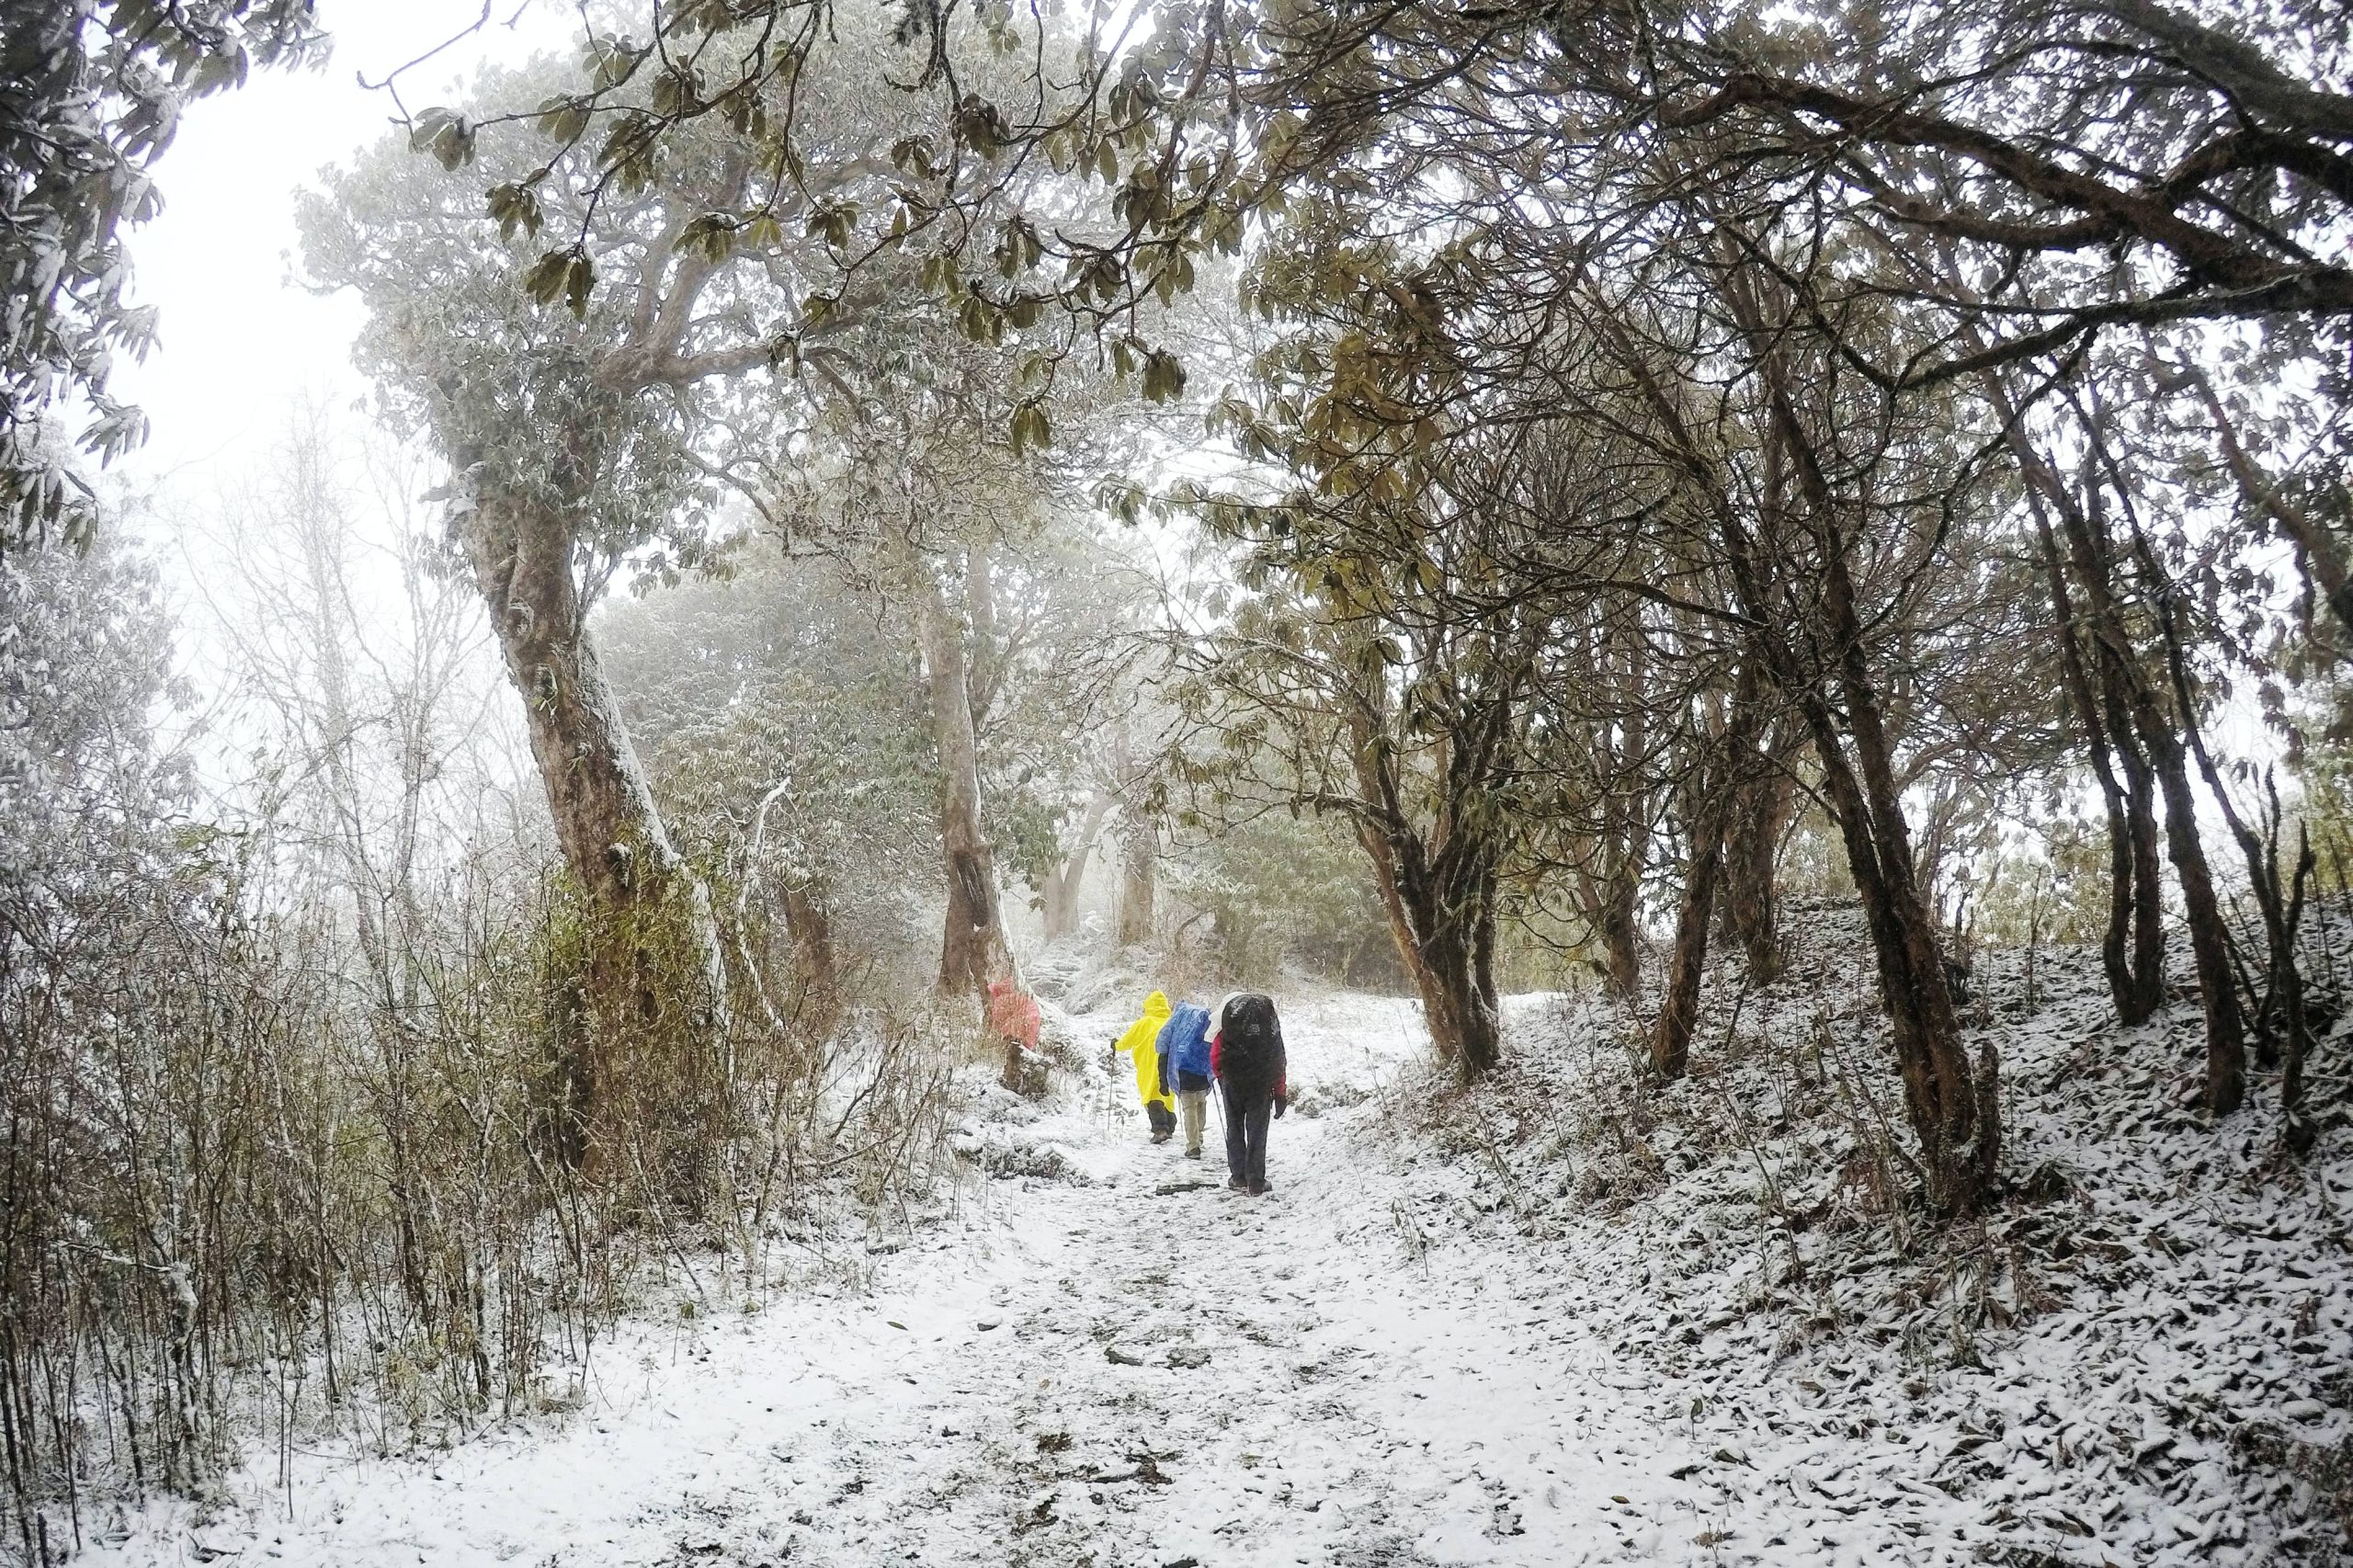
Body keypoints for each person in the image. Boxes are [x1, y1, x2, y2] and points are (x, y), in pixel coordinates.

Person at [1211, 992, 1287, 1196]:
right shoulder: (1269, 1033)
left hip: (1232, 1082)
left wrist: (1221, 1076)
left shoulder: (1229, 1027)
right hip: (1261, 1086)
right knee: (1257, 1132)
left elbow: (1215, 1056)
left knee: (1234, 1128)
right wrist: (1280, 1093)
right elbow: (1278, 1061)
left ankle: (1238, 1177)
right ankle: (1256, 1181)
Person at [1113, 990, 1176, 1142]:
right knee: (1167, 1094)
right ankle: (1170, 1125)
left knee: (1151, 1095)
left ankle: (1160, 1129)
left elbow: (1128, 1040)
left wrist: (1116, 1045)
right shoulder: (1171, 1022)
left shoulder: (1144, 1022)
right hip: (1169, 1065)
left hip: (1148, 1065)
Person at [1155, 998, 1215, 1159]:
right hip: (1202, 1072)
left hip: (1183, 1074)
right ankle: (1199, 1136)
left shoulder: (1175, 1025)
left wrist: (1164, 1081)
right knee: (1201, 1104)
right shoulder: (1203, 1024)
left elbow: (1163, 1049)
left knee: (1189, 1109)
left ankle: (1193, 1145)